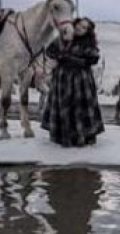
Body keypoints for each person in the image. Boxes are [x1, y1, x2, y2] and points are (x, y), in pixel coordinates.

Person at [41, 17, 105, 147]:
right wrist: (59, 55)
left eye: (84, 28)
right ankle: (61, 136)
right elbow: (49, 50)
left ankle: (83, 136)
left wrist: (69, 58)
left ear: (88, 31)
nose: (79, 29)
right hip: (62, 79)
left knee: (79, 108)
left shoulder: (88, 43)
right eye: (79, 25)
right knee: (63, 106)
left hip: (80, 80)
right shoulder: (63, 39)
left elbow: (92, 59)